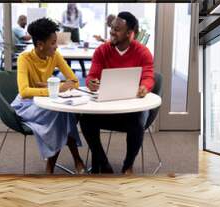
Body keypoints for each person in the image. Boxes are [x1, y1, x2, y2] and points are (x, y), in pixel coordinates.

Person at [80, 12, 154, 175]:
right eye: (112, 28)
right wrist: (91, 82)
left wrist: (144, 86)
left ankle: (127, 166)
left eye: (117, 29)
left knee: (138, 124)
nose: (112, 32)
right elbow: (92, 75)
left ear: (130, 33)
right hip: (106, 109)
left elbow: (148, 76)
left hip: (130, 111)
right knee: (85, 120)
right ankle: (103, 163)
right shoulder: (102, 50)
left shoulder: (142, 52)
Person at [11, 18, 85, 174]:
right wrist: (57, 89)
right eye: (53, 43)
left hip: (47, 100)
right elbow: (24, 91)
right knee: (63, 114)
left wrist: (52, 86)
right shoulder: (24, 58)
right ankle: (76, 159)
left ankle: (52, 165)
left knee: (63, 113)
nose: (56, 46)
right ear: (40, 45)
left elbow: (75, 81)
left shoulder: (54, 55)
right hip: (26, 104)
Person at [61, 3, 87, 77]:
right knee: (67, 51)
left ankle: (84, 71)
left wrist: (84, 24)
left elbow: (81, 26)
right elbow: (62, 24)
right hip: (66, 30)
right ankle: (69, 72)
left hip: (75, 30)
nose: (72, 4)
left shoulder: (79, 12)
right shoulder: (64, 12)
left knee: (78, 51)